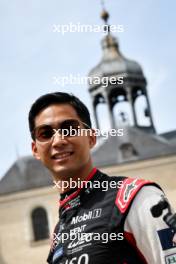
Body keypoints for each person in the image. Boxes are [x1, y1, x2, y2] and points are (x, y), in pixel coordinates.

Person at [28, 92, 176, 264]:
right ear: (35, 150)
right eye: (45, 134)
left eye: (69, 128)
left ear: (91, 138)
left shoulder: (136, 197)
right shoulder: (59, 232)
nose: (58, 141)